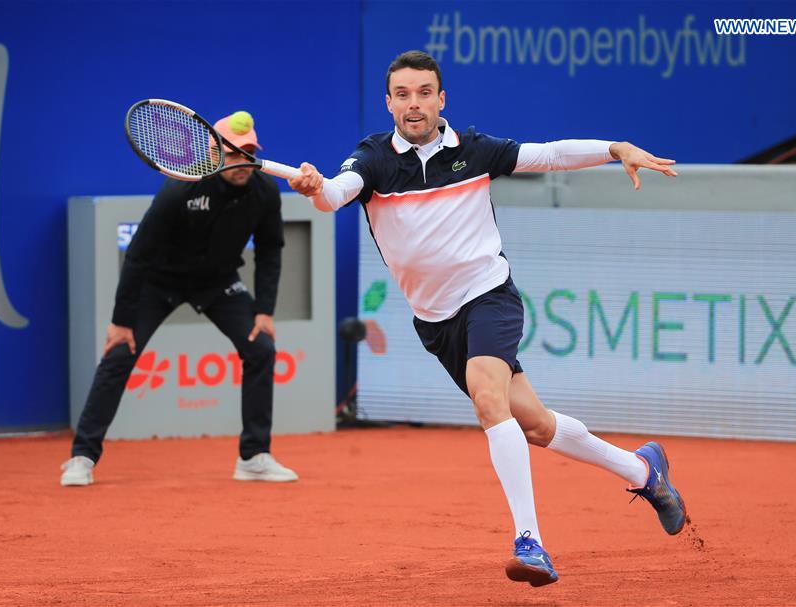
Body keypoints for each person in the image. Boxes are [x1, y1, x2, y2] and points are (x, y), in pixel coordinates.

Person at [288, 50, 686, 587]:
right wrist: (316, 188)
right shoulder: (373, 158)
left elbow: (549, 155)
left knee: (487, 397)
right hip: (435, 321)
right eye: (402, 94)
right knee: (536, 424)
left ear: (441, 99)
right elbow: (338, 194)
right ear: (388, 103)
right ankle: (645, 472)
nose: (414, 104)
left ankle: (531, 541)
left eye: (424, 92)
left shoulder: (473, 150)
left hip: (488, 295)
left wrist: (616, 149)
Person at [60, 112, 297, 487]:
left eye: (248, 153)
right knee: (120, 352)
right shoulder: (181, 189)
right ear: (213, 152)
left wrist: (265, 311)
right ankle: (82, 457)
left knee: (261, 346)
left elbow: (271, 251)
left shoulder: (265, 192)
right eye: (233, 154)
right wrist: (122, 320)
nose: (242, 163)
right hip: (159, 281)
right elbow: (137, 255)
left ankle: (253, 457)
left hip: (218, 282)